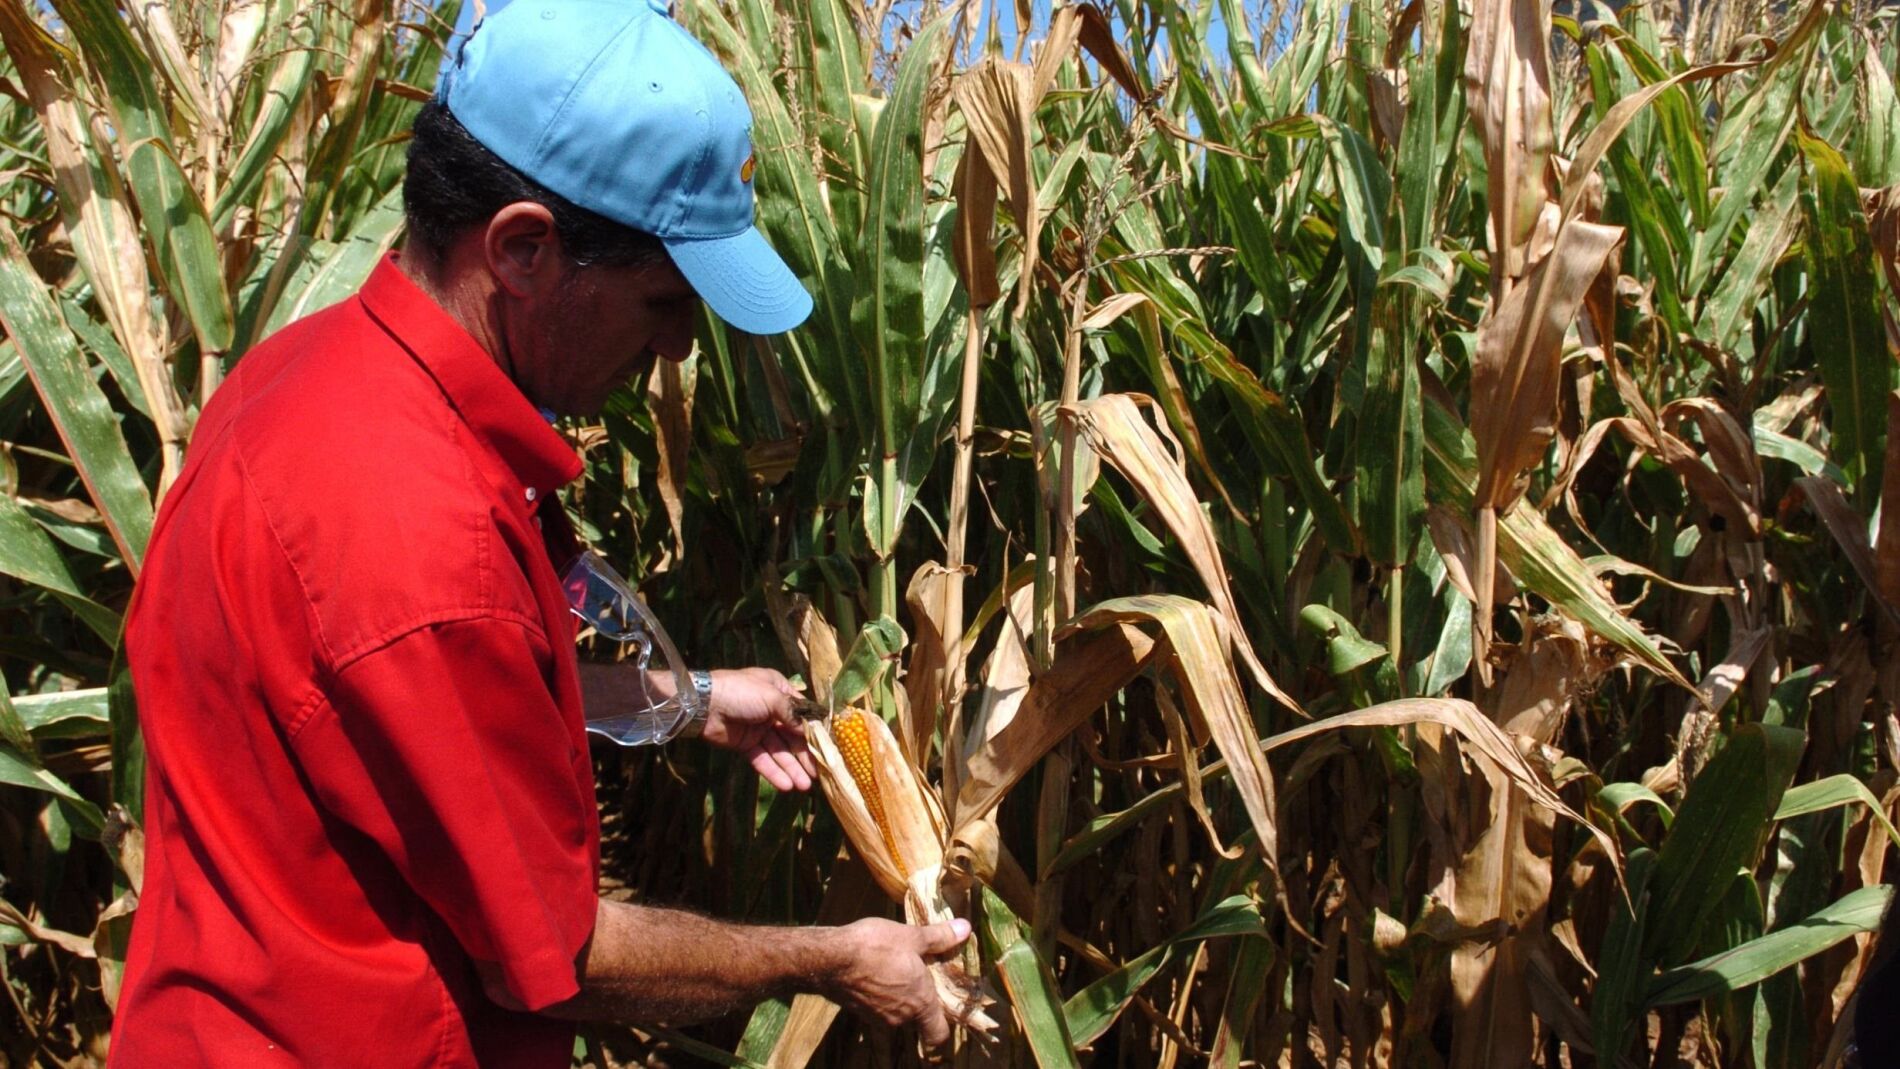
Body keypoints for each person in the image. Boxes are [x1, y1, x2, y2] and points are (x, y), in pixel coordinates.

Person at [107, 1, 968, 1064]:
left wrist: (687, 700)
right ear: (521, 249)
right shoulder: (423, 539)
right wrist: (832, 957)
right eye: (662, 302)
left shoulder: (301, 376)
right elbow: (559, 955)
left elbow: (389, 713)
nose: (674, 351)